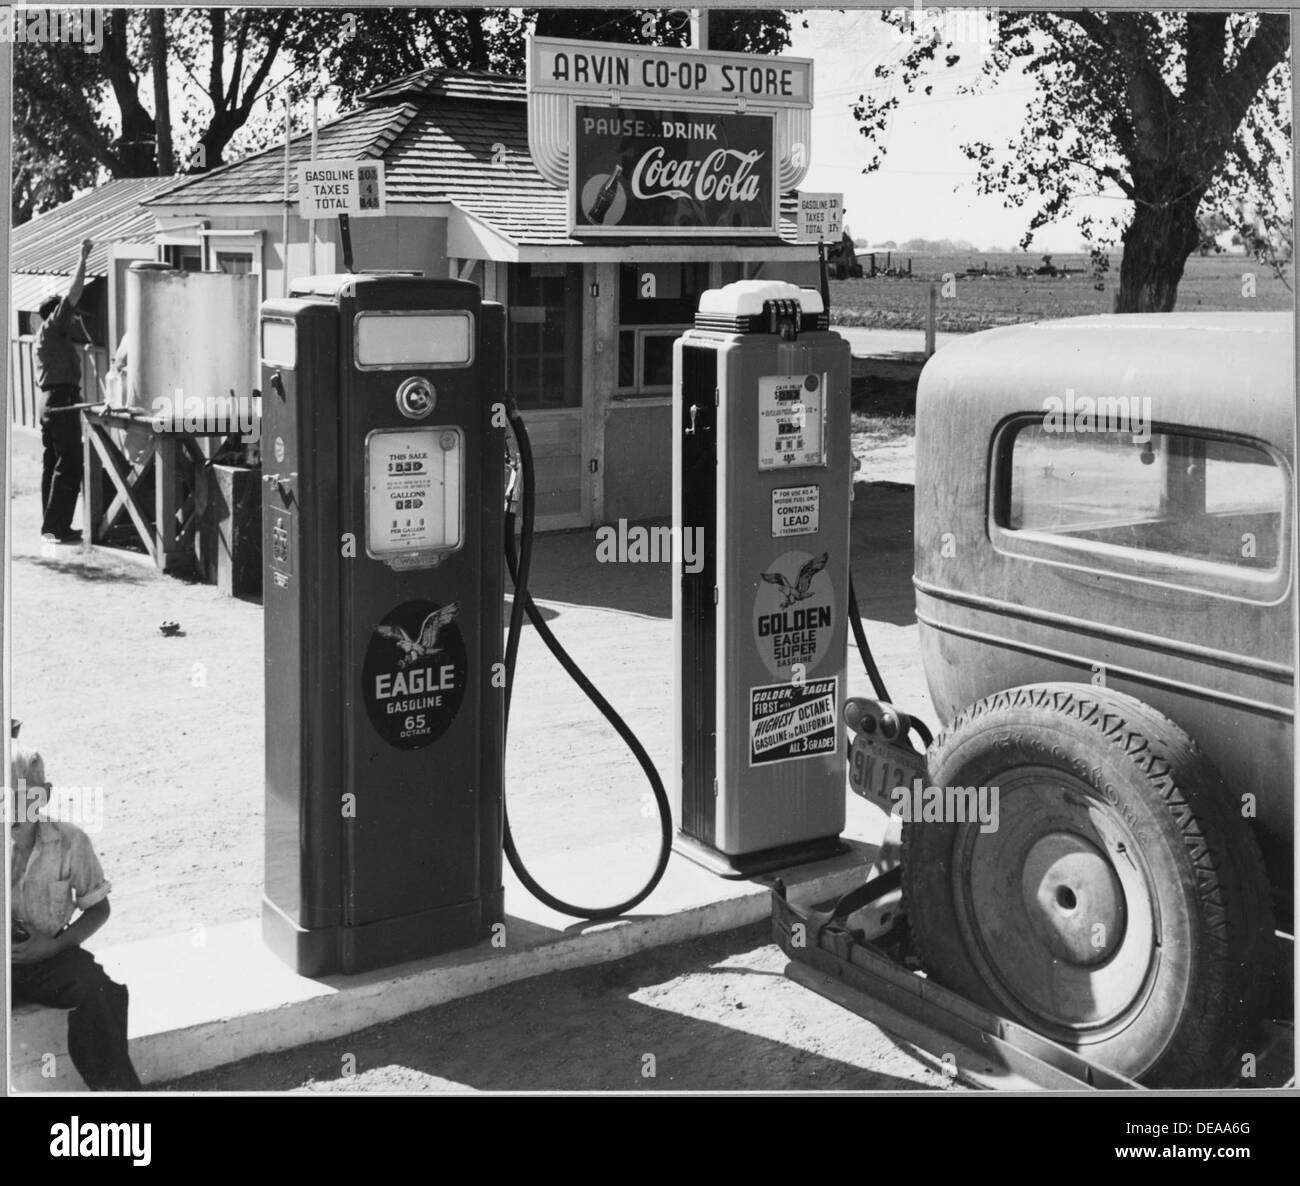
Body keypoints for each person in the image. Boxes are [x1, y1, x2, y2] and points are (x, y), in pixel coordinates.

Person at [10, 745, 142, 1091]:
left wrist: (53, 947)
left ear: (44, 795)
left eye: (22, 797)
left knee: (100, 990)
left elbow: (98, 908)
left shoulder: (70, 842)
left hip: (51, 956)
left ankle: (118, 1094)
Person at [36, 237, 94, 543]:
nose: (73, 317)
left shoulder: (49, 338)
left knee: (53, 463)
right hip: (60, 400)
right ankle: (57, 528)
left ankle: (50, 526)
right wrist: (83, 257)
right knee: (70, 461)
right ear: (57, 314)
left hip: (49, 401)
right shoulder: (53, 326)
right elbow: (73, 292)